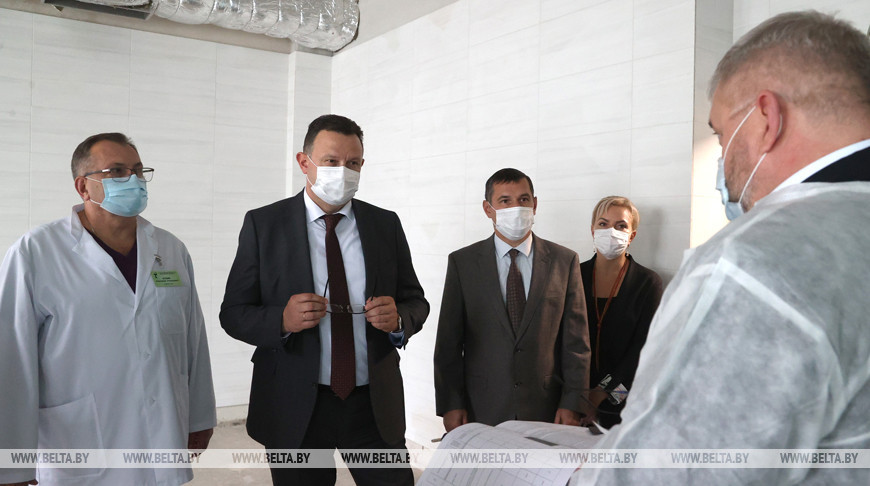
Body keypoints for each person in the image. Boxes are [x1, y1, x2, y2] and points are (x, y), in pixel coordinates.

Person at [573, 11, 870, 485]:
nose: (721, 158)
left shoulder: (751, 262)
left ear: (767, 118)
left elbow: (672, 472)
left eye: (719, 133)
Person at [220, 114, 429, 486]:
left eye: (353, 163)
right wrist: (281, 321)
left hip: (372, 404)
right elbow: (233, 313)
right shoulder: (264, 225)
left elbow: (416, 301)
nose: (343, 172)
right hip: (294, 403)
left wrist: (398, 319)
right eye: (331, 161)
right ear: (304, 162)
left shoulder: (385, 224)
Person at [0, 133, 216, 486]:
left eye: (138, 170)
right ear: (83, 187)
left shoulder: (170, 249)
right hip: (80, 443)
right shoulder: (35, 252)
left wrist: (200, 417)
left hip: (163, 436)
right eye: (116, 171)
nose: (132, 180)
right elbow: (12, 361)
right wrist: (12, 464)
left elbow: (193, 340)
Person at [434, 168, 591, 433]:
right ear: (488, 209)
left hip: (547, 406)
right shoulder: (463, 263)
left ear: (535, 204)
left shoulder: (564, 261)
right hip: (482, 405)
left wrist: (573, 402)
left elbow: (576, 344)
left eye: (523, 199)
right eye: (505, 201)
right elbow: (449, 343)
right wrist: (451, 403)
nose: (516, 208)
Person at [580, 196, 663, 429]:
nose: (611, 231)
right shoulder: (574, 276)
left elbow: (642, 348)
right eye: (603, 224)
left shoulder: (647, 282)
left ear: (631, 235)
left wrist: (601, 394)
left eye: (621, 226)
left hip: (624, 395)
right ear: (593, 230)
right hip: (574, 395)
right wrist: (577, 396)